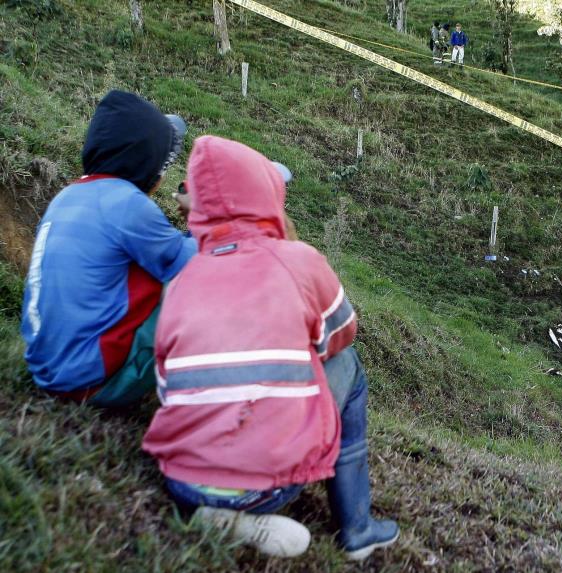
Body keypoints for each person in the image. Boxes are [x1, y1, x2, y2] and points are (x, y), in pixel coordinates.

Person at [142, 135, 399, 560]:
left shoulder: (183, 278)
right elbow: (342, 333)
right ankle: (357, 527)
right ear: (268, 195)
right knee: (348, 366)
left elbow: (167, 384)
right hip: (268, 488)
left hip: (181, 477)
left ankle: (213, 513)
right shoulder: (298, 259)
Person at [21, 90, 197, 407]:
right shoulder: (126, 203)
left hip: (47, 369)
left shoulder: (67, 196)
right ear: (148, 164)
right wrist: (204, 214)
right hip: (92, 381)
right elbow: (197, 264)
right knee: (200, 283)